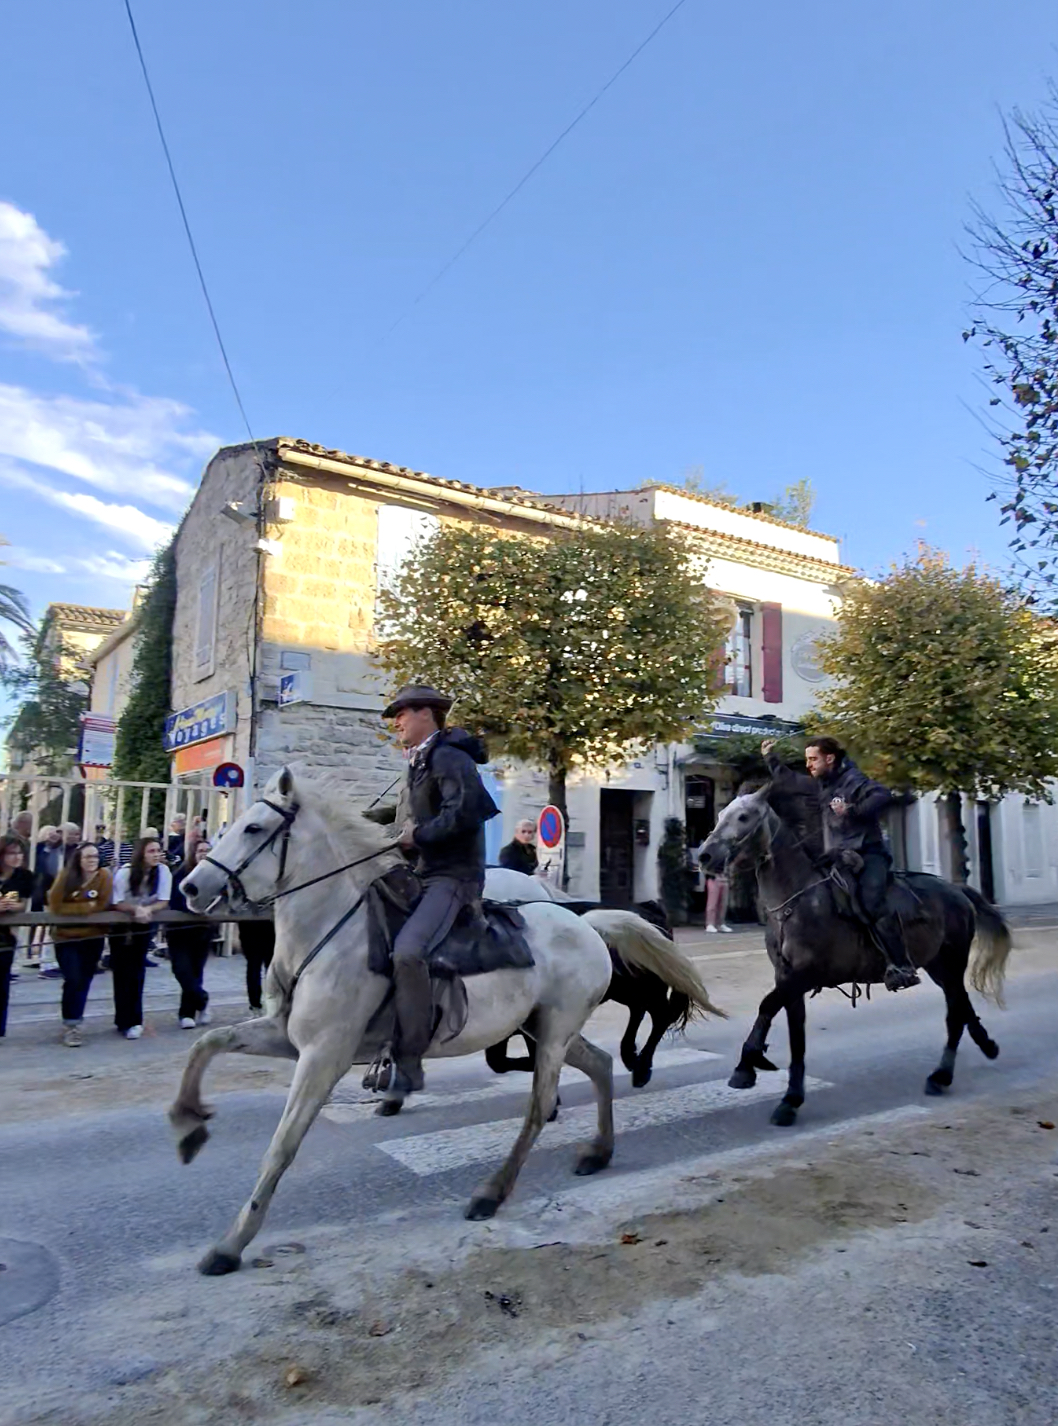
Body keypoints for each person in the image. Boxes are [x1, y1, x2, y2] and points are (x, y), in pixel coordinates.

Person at [372, 684, 499, 1096]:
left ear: (426, 714)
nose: (397, 721)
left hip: (453, 877)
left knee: (408, 952)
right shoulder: (418, 761)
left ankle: (409, 1061)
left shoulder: (448, 757)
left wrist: (418, 836)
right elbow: (404, 812)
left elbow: (464, 812)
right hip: (419, 873)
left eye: (402, 713)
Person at [762, 736, 919, 991]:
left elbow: (882, 795)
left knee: (871, 901)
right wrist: (770, 757)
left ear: (830, 758)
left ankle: (901, 964)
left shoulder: (855, 781)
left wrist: (852, 809)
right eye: (807, 760)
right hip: (838, 855)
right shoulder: (821, 785)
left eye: (813, 759)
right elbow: (790, 781)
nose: (809, 765)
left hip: (869, 855)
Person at [48, 843, 113, 1047]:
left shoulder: (104, 876)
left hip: (92, 937)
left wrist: (76, 907)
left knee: (84, 980)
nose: (92, 860)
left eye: (94, 856)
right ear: (78, 859)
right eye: (87, 857)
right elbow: (55, 904)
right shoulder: (66, 876)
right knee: (73, 978)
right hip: (66, 937)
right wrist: (86, 907)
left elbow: (102, 904)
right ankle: (71, 1024)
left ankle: (74, 1021)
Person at [111, 838, 172, 1038]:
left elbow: (163, 900)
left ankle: (135, 1019)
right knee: (122, 972)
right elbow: (117, 902)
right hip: (122, 925)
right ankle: (123, 1019)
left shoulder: (163, 872)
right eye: (151, 851)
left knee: (137, 970)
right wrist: (135, 909)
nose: (155, 854)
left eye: (158, 850)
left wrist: (147, 910)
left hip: (144, 923)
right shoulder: (125, 872)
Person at [168, 840, 215, 1028]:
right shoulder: (181, 873)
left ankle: (187, 1013)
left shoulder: (214, 875)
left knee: (196, 971)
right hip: (179, 930)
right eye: (200, 850)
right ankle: (202, 999)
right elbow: (175, 900)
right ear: (193, 853)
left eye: (207, 851)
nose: (203, 854)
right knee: (181, 969)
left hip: (202, 930)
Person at [0, 835, 34, 1039]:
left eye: (19, 853)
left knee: (2, 983)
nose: (16, 857)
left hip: (6, 936)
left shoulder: (24, 876)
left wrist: (15, 906)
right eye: (11, 853)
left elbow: (24, 903)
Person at [238, 918, 275, 1015]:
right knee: (267, 968)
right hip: (266, 927)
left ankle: (256, 1005)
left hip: (252, 926)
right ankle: (271, 1003)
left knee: (255, 967)